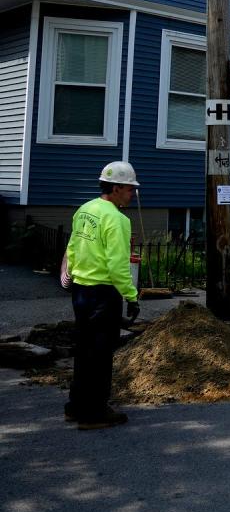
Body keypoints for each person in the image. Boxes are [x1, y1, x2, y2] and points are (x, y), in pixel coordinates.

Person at [64, 161, 141, 430]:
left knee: (84, 350)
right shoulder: (118, 219)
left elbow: (73, 248)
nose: (132, 194)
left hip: (81, 291)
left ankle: (76, 405)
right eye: (130, 189)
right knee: (100, 354)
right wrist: (131, 297)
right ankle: (94, 412)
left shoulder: (85, 210)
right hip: (102, 293)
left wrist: (73, 274)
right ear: (117, 188)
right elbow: (118, 266)